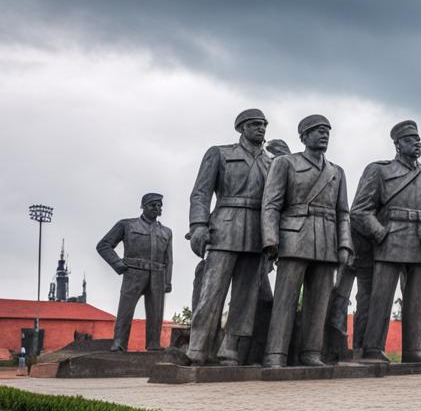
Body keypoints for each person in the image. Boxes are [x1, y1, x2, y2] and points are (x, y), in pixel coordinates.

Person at [352, 121, 421, 362]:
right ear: (397, 144)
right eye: (410, 139)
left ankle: (413, 349)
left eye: (418, 139)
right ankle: (373, 348)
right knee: (380, 298)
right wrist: (379, 233)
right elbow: (360, 210)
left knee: (417, 301)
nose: (417, 143)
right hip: (391, 239)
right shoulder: (380, 171)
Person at [186, 109, 277, 365]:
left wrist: (273, 238)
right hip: (224, 226)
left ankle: (230, 348)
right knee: (212, 292)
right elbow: (200, 193)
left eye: (264, 125)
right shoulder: (220, 153)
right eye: (255, 124)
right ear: (241, 128)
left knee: (245, 298)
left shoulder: (272, 162)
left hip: (257, 232)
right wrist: (198, 225)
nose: (261, 128)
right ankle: (197, 347)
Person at [261, 115, 352, 367]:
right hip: (294, 235)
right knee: (285, 300)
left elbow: (344, 212)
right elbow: (271, 204)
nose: (324, 135)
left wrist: (344, 244)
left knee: (319, 301)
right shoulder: (286, 163)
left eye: (327, 132)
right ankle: (275, 354)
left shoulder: (337, 171)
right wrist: (270, 239)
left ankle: (311, 352)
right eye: (318, 131)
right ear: (303, 136)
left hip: (326, 240)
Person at [96, 193, 172, 352]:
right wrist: (117, 264)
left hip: (158, 276)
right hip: (134, 274)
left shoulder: (166, 232)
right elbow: (104, 245)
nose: (157, 208)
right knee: (125, 310)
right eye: (153, 205)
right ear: (143, 206)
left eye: (159, 205)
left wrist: (168, 281)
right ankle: (119, 343)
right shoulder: (127, 225)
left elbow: (168, 259)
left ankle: (154, 344)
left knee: (156, 314)